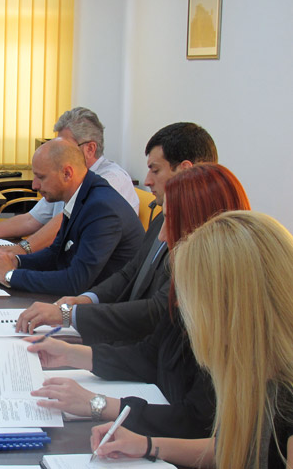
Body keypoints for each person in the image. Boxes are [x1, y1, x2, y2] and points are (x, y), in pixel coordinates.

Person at [25, 163, 251, 440]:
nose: (163, 236)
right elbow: (150, 355)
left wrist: (98, 404)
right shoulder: (190, 287)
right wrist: (70, 354)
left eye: (172, 221)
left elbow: (198, 421)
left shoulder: (233, 314)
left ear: (205, 228)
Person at [91, 211, 293, 469]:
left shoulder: (285, 401)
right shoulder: (252, 368)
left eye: (190, 300)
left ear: (230, 308)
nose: (183, 310)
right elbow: (233, 449)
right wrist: (148, 445)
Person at [16, 122, 218, 344]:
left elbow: (156, 311)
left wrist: (69, 315)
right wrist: (87, 300)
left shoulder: (207, 240)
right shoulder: (162, 217)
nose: (147, 180)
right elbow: (129, 273)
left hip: (140, 343)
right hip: (127, 335)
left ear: (185, 170)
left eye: (155, 170)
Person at [0, 107, 139, 256]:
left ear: (90, 149)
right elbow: (31, 219)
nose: (58, 152)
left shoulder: (111, 180)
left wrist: (19, 251)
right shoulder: (66, 179)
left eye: (65, 146)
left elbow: (61, 224)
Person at [0, 138, 144, 295]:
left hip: (110, 303)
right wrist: (16, 261)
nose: (34, 185)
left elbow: (76, 282)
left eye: (41, 177)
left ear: (67, 173)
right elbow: (56, 254)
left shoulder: (101, 208)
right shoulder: (83, 194)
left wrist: (10, 275)